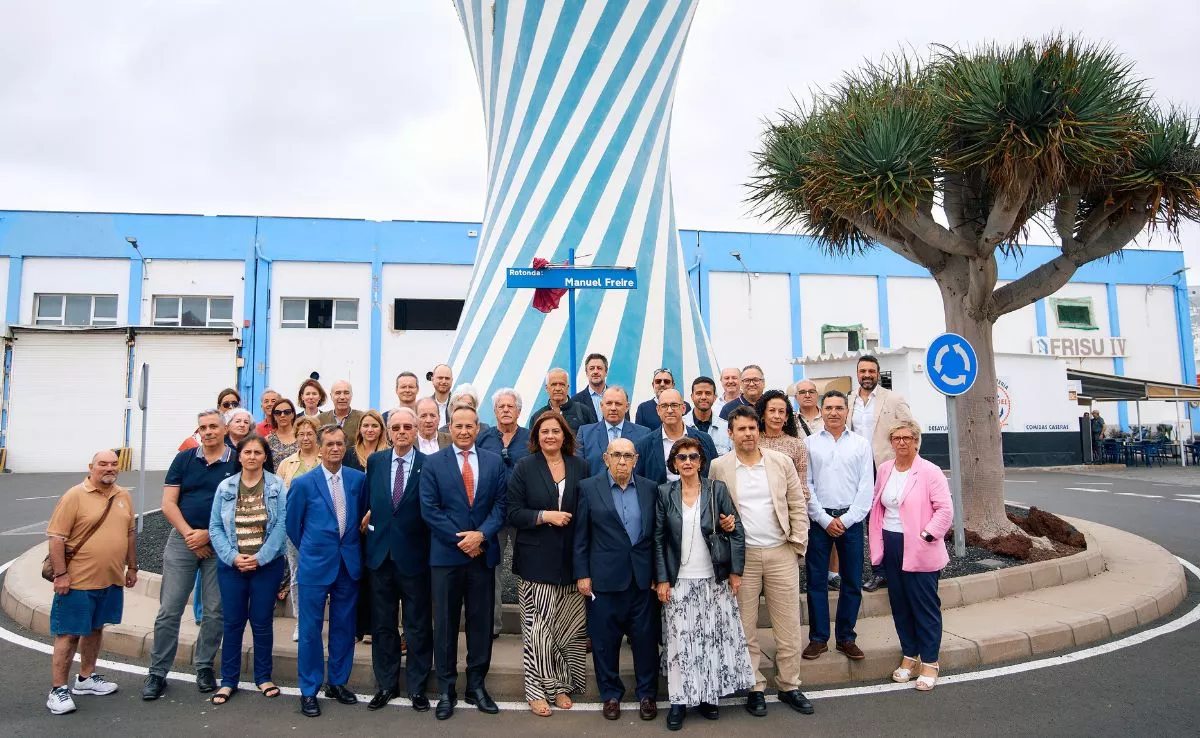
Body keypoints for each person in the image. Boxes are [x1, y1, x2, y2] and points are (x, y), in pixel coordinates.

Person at [708, 406, 813, 717]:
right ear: (730, 434)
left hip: (781, 552)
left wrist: (797, 545)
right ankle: (754, 685)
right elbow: (712, 510)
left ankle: (789, 684)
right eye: (741, 429)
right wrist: (723, 528)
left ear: (759, 429)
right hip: (744, 559)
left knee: (789, 625)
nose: (748, 434)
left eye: (752, 428)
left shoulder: (780, 462)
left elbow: (796, 503)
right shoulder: (719, 467)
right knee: (745, 626)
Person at [653, 437, 753, 730]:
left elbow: (736, 530)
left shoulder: (716, 490)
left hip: (713, 578)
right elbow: (658, 539)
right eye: (681, 457)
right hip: (679, 580)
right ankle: (679, 702)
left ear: (701, 462)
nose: (687, 462)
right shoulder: (664, 493)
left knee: (711, 639)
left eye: (693, 457)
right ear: (673, 463)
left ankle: (709, 697)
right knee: (679, 643)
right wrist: (661, 579)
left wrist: (736, 571)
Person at [419, 405, 508, 720]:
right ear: (450, 427)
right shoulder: (433, 464)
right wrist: (462, 541)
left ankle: (476, 687)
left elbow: (501, 505)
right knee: (444, 625)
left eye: (470, 426)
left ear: (478, 428)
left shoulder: (495, 462)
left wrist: (480, 536)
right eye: (458, 425)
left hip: (481, 557)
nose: (464, 431)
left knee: (481, 625)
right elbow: (429, 509)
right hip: (446, 558)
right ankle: (446, 690)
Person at [144, 410, 237, 700]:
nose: (208, 431)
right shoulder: (184, 459)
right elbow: (169, 503)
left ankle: (204, 666)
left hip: (219, 543)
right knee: (169, 609)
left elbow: (242, 506)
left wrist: (209, 535)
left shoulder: (236, 461)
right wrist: (190, 535)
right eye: (203, 428)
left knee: (214, 611)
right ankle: (157, 672)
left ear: (224, 430)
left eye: (213, 426)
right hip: (183, 540)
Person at [506, 412, 590, 717]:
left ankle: (561, 685)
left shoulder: (580, 466)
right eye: (545, 432)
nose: (550, 436)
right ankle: (537, 690)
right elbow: (513, 512)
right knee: (537, 629)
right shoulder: (524, 467)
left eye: (556, 431)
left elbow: (587, 511)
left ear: (565, 436)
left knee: (566, 629)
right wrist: (544, 516)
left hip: (571, 560)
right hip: (535, 560)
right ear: (537, 437)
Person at [573, 438, 659, 723]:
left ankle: (647, 694)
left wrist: (659, 576)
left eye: (627, 456)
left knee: (646, 642)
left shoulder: (649, 488)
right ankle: (610, 695)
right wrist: (582, 574)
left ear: (636, 459)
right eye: (616, 455)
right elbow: (581, 536)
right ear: (605, 458)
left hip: (642, 580)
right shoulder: (588, 488)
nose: (622, 461)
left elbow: (656, 536)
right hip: (604, 581)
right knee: (604, 643)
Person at [44, 450, 136, 715]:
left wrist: (133, 567)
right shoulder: (74, 495)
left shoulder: (123, 495)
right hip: (77, 580)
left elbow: (129, 534)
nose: (109, 468)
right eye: (103, 464)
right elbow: (56, 538)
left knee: (96, 629)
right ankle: (58, 689)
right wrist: (61, 574)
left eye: (114, 464)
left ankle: (85, 678)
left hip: (110, 579)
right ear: (91, 467)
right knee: (69, 633)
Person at [286, 424, 368, 718]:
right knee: (310, 631)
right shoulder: (303, 484)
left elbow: (362, 520)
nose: (335, 448)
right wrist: (315, 549)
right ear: (319, 448)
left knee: (344, 629)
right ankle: (309, 690)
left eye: (339, 444)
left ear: (345, 447)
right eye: (329, 444)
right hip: (314, 566)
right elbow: (293, 527)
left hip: (348, 565)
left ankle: (337, 682)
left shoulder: (358, 481)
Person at [870, 420, 953, 692]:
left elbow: (945, 510)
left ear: (917, 441)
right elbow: (879, 508)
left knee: (924, 605)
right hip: (891, 543)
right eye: (896, 438)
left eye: (907, 437)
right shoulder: (884, 469)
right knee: (900, 604)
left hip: (920, 544)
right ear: (891, 442)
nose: (902, 442)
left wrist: (927, 535)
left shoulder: (930, 471)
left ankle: (930, 661)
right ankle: (910, 655)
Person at [207, 435, 288, 705]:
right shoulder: (225, 487)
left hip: (266, 567)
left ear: (266, 456)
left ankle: (263, 676)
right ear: (239, 456)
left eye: (258, 452)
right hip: (232, 567)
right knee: (232, 623)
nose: (252, 456)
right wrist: (232, 557)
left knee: (262, 622)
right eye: (247, 452)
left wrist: (261, 558)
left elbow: (282, 527)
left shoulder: (277, 486)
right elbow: (215, 528)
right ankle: (228, 680)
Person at [364, 407, 433, 713]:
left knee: (417, 625)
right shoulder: (375, 462)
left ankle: (417, 687)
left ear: (416, 430)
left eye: (408, 426)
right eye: (396, 427)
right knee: (383, 626)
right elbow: (372, 503)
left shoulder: (428, 465)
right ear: (388, 432)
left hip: (415, 558)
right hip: (380, 557)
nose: (402, 431)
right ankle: (387, 685)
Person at [803, 389, 874, 662]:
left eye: (839, 407)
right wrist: (823, 518)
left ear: (847, 411)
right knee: (816, 581)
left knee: (852, 581)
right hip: (818, 520)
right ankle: (818, 638)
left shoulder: (860, 444)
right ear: (821, 411)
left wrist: (844, 520)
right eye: (829, 407)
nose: (834, 412)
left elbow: (866, 487)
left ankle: (846, 637)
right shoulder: (809, 444)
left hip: (851, 521)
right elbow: (806, 485)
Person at [849, 354, 914, 593]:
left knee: (889, 519)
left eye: (871, 371)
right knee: (866, 522)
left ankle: (899, 568)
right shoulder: (849, 401)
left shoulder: (894, 399)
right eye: (862, 371)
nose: (867, 375)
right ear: (857, 374)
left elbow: (913, 431)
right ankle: (878, 571)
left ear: (878, 374)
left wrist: (907, 464)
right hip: (856, 470)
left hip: (885, 469)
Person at [476, 388, 532, 637]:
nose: (506, 410)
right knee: (491, 572)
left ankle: (532, 627)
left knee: (529, 572)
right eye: (501, 406)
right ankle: (492, 626)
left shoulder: (531, 439)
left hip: (523, 514)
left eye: (511, 406)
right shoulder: (483, 438)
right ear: (495, 411)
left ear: (519, 411)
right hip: (492, 516)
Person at [344, 409, 390, 642]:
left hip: (380, 523)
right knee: (356, 576)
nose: (370, 430)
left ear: (381, 429)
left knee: (376, 576)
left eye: (374, 426)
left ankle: (373, 628)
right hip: (352, 522)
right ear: (359, 429)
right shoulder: (350, 455)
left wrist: (373, 513)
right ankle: (356, 628)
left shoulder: (388, 455)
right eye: (366, 426)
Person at [275, 415, 321, 641]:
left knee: (322, 577)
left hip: (321, 530)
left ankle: (317, 620)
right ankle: (301, 623)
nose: (305, 438)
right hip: (294, 529)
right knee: (297, 576)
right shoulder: (287, 464)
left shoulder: (325, 460)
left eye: (309, 434)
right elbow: (278, 497)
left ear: (316, 436)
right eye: (301, 434)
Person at [634, 388, 717, 484]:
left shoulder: (705, 440)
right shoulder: (644, 445)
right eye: (664, 406)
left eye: (674, 405)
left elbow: (714, 476)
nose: (669, 410)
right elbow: (640, 483)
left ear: (683, 408)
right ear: (658, 410)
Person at [577, 386, 650, 476]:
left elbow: (647, 471)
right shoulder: (585, 434)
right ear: (601, 406)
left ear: (627, 407)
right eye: (609, 403)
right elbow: (578, 470)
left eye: (618, 404)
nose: (613, 408)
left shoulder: (643, 434)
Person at [755, 389, 812, 504]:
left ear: (786, 417)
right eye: (772, 411)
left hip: (787, 507)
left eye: (781, 412)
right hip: (756, 505)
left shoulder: (797, 445)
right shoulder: (753, 440)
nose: (777, 416)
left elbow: (802, 488)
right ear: (762, 415)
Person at [528, 368, 598, 432]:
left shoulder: (584, 412)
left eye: (562, 384)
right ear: (547, 388)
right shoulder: (537, 417)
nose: (558, 388)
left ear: (567, 387)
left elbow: (594, 439)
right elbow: (532, 444)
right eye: (554, 384)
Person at [683, 376, 731, 455]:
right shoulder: (681, 425)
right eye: (699, 393)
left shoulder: (726, 428)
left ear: (715, 397)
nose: (703, 397)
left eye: (708, 393)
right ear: (692, 397)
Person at [318, 379, 365, 447]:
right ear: (331, 396)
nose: (342, 397)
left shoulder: (362, 418)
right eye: (338, 393)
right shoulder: (321, 419)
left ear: (351, 395)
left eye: (346, 393)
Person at [572, 352, 612, 420]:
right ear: (587, 373)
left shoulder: (618, 398)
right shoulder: (575, 401)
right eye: (592, 368)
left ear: (606, 372)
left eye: (599, 368)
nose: (595, 371)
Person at [265, 397, 299, 469]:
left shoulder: (301, 436)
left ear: (293, 414)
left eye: (287, 412)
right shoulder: (268, 440)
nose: (282, 415)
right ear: (274, 416)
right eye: (278, 413)